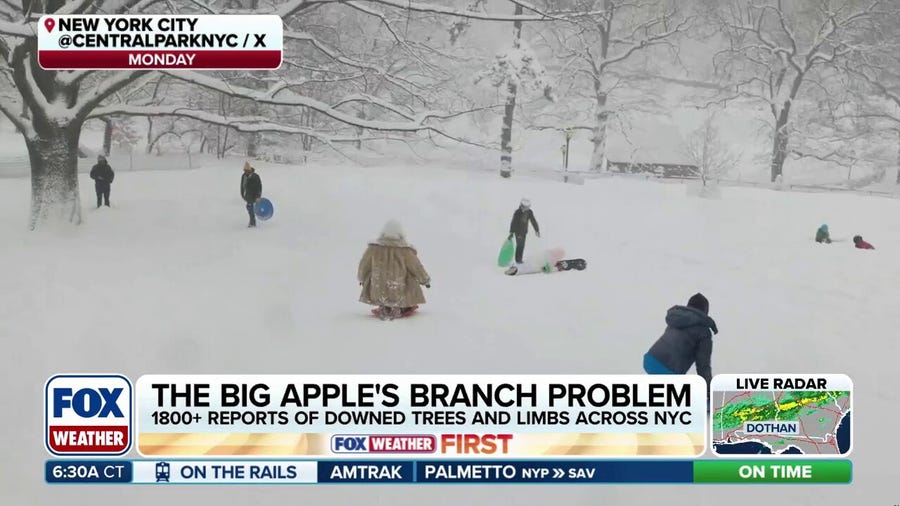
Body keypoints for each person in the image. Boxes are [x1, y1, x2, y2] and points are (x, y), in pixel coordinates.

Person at [644, 293, 718, 394]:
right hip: (668, 370)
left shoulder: (678, 319)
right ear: (705, 312)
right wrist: (708, 390)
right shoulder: (704, 331)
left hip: (651, 360)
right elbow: (703, 365)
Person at [358, 220, 431, 320]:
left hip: (378, 287)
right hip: (399, 288)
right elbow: (416, 267)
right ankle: (398, 308)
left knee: (380, 287)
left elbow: (364, 265)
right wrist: (425, 280)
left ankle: (384, 307)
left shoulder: (373, 249)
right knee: (408, 278)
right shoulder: (405, 250)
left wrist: (361, 278)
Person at [508, 198, 540, 264]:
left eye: (527, 207)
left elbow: (533, 221)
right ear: (521, 206)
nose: (525, 209)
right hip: (518, 232)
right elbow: (513, 222)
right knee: (519, 245)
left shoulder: (529, 212)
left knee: (522, 246)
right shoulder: (517, 212)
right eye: (524, 207)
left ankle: (520, 259)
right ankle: (518, 260)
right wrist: (511, 232)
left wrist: (537, 230)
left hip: (524, 232)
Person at [240, 161, 262, 227]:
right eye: (244, 170)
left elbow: (259, 187)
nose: (245, 172)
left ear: (249, 170)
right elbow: (242, 185)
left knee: (250, 208)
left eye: (246, 170)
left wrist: (258, 196)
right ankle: (252, 221)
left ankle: (252, 222)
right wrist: (242, 194)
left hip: (254, 195)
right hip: (247, 195)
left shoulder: (255, 176)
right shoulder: (243, 176)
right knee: (249, 208)